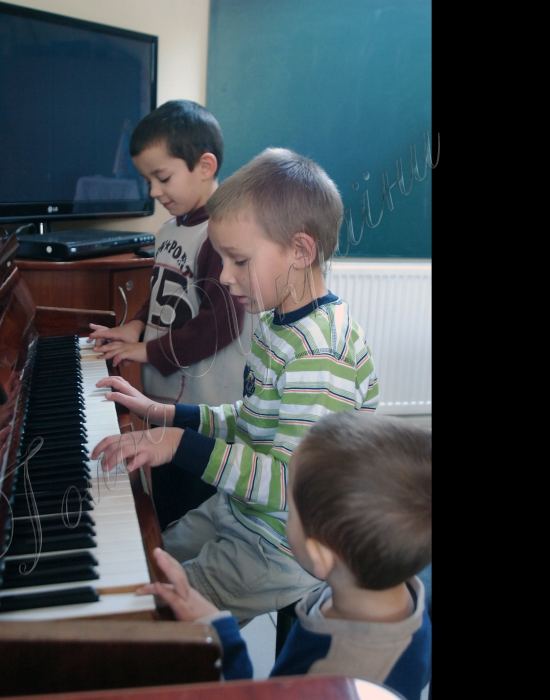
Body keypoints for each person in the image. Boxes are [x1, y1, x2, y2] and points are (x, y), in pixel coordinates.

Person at [90, 148, 380, 624]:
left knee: (161, 615)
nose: (224, 277)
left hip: (282, 543)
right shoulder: (277, 322)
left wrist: (180, 445)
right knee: (149, 555)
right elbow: (252, 417)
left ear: (301, 251)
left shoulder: (319, 355)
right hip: (243, 510)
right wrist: (169, 415)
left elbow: (293, 485)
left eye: (238, 260)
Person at [136, 412, 432, 700]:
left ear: (320, 556)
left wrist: (224, 636)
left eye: (288, 511)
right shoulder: (396, 591)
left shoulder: (331, 680)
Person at [88, 100, 250, 408]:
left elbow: (221, 323)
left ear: (205, 167)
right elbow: (164, 294)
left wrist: (147, 351)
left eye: (162, 179)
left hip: (205, 408)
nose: (153, 192)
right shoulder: (167, 231)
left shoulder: (221, 238)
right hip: (167, 397)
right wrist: (136, 327)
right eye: (147, 181)